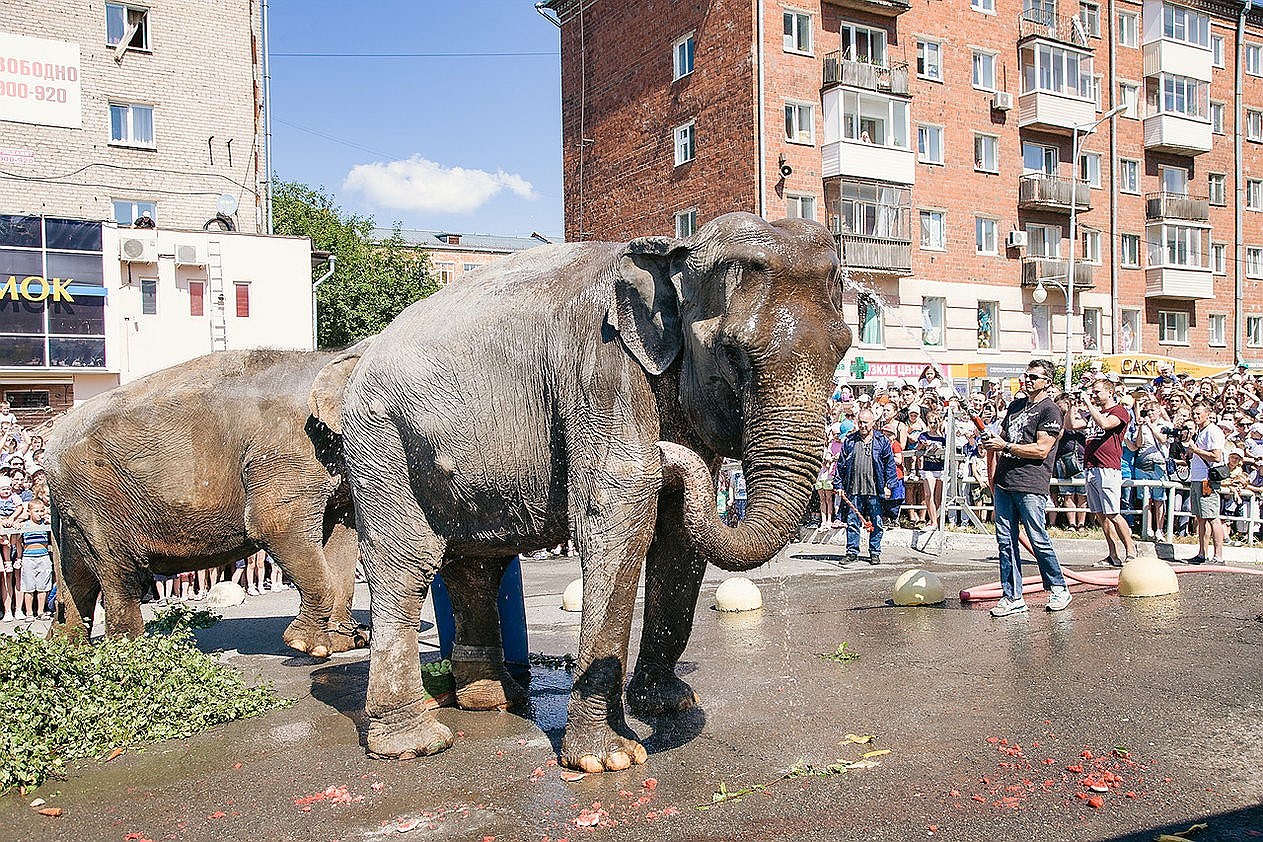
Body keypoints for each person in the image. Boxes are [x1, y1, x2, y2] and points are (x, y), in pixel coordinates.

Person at [982, 359, 1071, 616]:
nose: (1028, 380)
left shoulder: (1050, 410)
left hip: (1031, 482)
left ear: (1047, 382)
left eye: (1034, 377)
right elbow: (1004, 438)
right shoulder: (1016, 406)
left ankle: (1058, 588)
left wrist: (1005, 447)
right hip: (1005, 482)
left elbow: (1042, 449)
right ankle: (1012, 596)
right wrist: (993, 444)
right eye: (1026, 376)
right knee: (1004, 541)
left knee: (1038, 538)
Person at [1073, 376, 1135, 566]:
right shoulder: (1094, 413)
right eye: (1092, 393)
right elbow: (1072, 425)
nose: (1094, 396)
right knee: (1101, 515)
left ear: (1110, 392)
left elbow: (1105, 424)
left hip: (1108, 467)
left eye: (1097, 392)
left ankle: (1131, 551)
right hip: (1091, 468)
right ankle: (1113, 554)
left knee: (1113, 513)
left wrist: (1087, 403)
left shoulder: (1119, 411)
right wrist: (1073, 405)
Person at [834, 408, 897, 565]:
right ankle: (852, 552)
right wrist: (839, 484)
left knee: (876, 522)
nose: (862, 425)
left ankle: (874, 552)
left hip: (875, 489)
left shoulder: (882, 441)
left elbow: (890, 465)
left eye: (865, 422)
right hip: (854, 488)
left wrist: (889, 485)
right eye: (860, 422)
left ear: (873, 423)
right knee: (852, 521)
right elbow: (841, 465)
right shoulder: (850, 441)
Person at [1187, 400, 1227, 565]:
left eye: (1198, 414)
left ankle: (1219, 556)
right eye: (1194, 414)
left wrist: (1196, 450)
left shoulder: (1213, 431)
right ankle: (1202, 553)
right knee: (1200, 517)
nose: (1195, 417)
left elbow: (1216, 456)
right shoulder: (1200, 431)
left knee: (1212, 517)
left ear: (1208, 413)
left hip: (1207, 479)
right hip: (1196, 477)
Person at [17, 500, 53, 620]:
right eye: (36, 511)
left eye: (41, 511)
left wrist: (49, 520)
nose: (39, 513)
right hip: (29, 557)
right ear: (29, 512)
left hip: (43, 556)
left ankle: (41, 611)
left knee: (42, 586)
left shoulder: (45, 524)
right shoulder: (25, 525)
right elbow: (17, 541)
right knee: (29, 587)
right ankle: (29, 613)